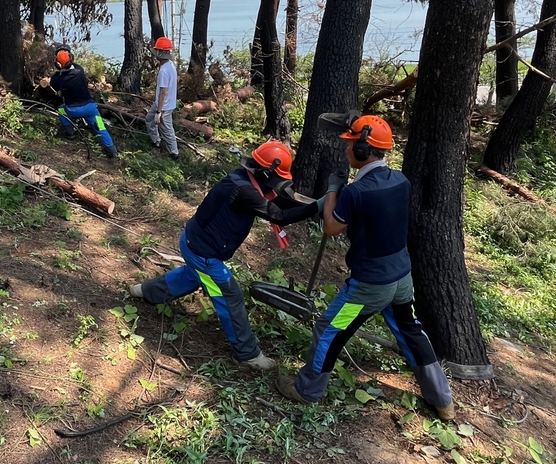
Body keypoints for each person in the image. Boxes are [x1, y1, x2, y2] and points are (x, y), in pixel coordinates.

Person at [274, 115, 456, 421]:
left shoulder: (356, 192)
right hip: (401, 277)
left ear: (363, 150)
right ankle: (443, 400)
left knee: (329, 330)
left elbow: (331, 227)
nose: (345, 148)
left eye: (349, 143)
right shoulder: (400, 180)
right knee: (411, 331)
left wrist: (334, 190)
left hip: (369, 286)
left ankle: (307, 391)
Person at [130, 141, 324, 370]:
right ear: (266, 172)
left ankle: (147, 291)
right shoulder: (244, 190)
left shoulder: (245, 180)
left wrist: (316, 203)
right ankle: (247, 354)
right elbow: (279, 214)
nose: (279, 183)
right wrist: (317, 207)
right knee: (230, 295)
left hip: (194, 242)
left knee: (193, 276)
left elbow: (280, 201)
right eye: (278, 177)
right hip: (203, 253)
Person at [40, 45, 119, 159]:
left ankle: (70, 133)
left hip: (73, 110)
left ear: (57, 64)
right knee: (101, 127)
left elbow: (53, 86)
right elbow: (72, 66)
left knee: (61, 109)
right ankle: (112, 151)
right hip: (91, 109)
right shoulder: (79, 70)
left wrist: (49, 80)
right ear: (71, 58)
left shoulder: (58, 78)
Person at [146, 37, 179, 160]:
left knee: (167, 129)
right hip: (163, 104)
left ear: (160, 53)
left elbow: (163, 93)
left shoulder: (164, 71)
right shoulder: (170, 65)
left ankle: (174, 153)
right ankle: (156, 141)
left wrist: (159, 112)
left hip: (164, 106)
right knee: (149, 119)